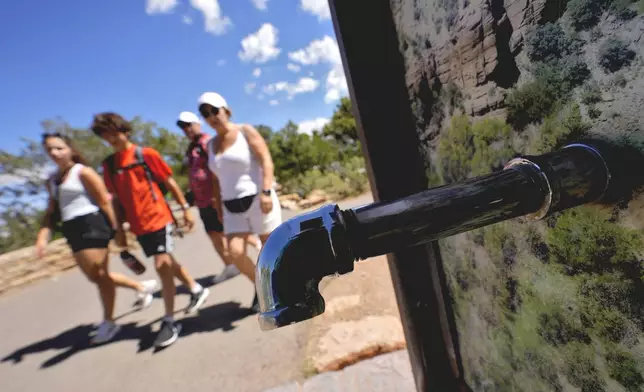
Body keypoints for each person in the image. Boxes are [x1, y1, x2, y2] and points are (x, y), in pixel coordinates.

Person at [91, 112, 210, 348]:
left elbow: (169, 182)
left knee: (161, 265)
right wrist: (120, 229)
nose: (111, 138)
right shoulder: (110, 166)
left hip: (158, 217)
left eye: (113, 131)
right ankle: (196, 289)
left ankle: (169, 320)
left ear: (124, 130)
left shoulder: (145, 155)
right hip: (138, 226)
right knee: (166, 261)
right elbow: (116, 199)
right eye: (105, 134)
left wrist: (185, 209)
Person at [35, 133, 158, 345]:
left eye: (59, 148)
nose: (54, 153)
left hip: (92, 224)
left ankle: (109, 322)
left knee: (100, 276)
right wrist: (43, 235)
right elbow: (52, 211)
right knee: (96, 276)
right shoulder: (51, 180)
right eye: (50, 150)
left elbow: (104, 201)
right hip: (71, 228)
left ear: (70, 149)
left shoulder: (83, 172)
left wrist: (117, 230)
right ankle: (141, 287)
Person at [197, 92, 282, 312]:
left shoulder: (245, 131)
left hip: (257, 199)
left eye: (215, 110)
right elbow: (215, 178)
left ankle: (284, 287)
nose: (211, 117)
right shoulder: (211, 145)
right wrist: (217, 204)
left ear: (226, 110)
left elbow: (265, 159)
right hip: (231, 205)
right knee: (235, 253)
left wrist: (265, 190)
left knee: (271, 248)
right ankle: (263, 286)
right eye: (205, 114)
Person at [177, 111, 261, 285]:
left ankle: (256, 249)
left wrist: (218, 197)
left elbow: (219, 170)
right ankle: (231, 265)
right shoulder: (191, 148)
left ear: (198, 123)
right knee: (214, 234)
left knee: (230, 234)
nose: (187, 130)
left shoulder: (209, 143)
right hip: (202, 200)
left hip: (216, 198)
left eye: (189, 125)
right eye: (183, 127)